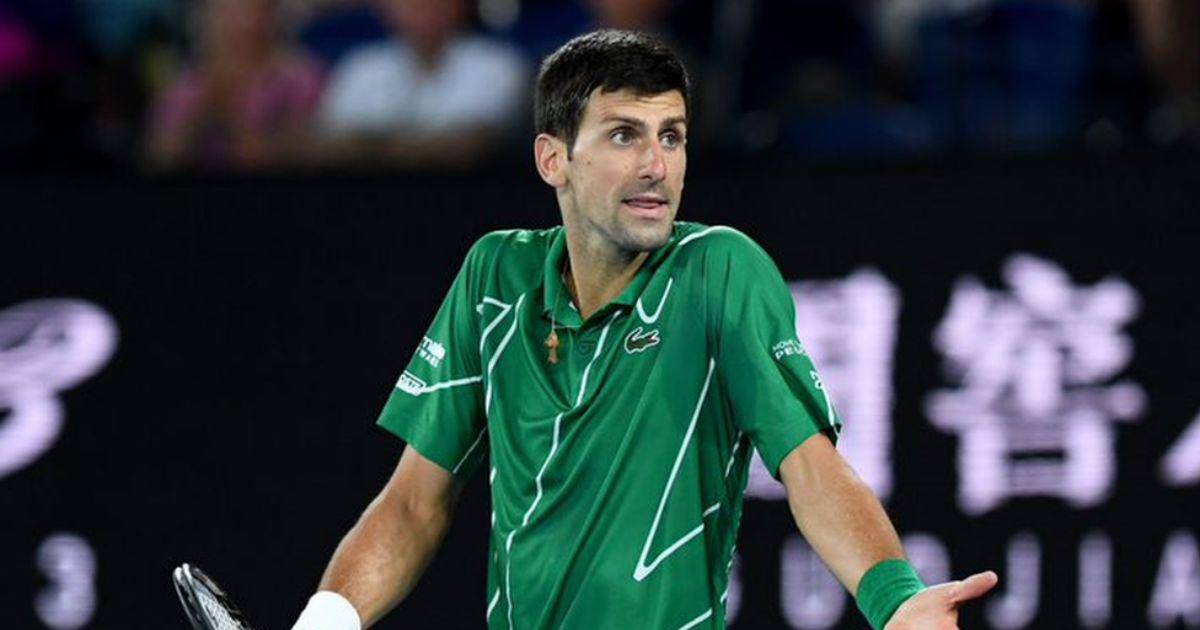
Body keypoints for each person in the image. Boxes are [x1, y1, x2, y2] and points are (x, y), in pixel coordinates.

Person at [290, 29, 998, 630]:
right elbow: (414, 504)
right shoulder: (495, 278)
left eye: (673, 137)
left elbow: (811, 468)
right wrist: (324, 622)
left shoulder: (720, 270)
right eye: (624, 135)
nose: (657, 166)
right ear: (554, 159)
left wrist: (893, 599)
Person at [314, 0, 528, 168]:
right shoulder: (361, 67)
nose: (423, 6)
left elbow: (473, 145)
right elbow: (332, 145)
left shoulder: (497, 65)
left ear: (461, 4)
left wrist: (375, 147)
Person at [144, 0, 325, 170]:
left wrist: (235, 122)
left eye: (257, 11)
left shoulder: (300, 78)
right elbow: (159, 158)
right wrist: (199, 115)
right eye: (231, 11)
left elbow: (307, 155)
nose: (246, 24)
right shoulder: (188, 85)